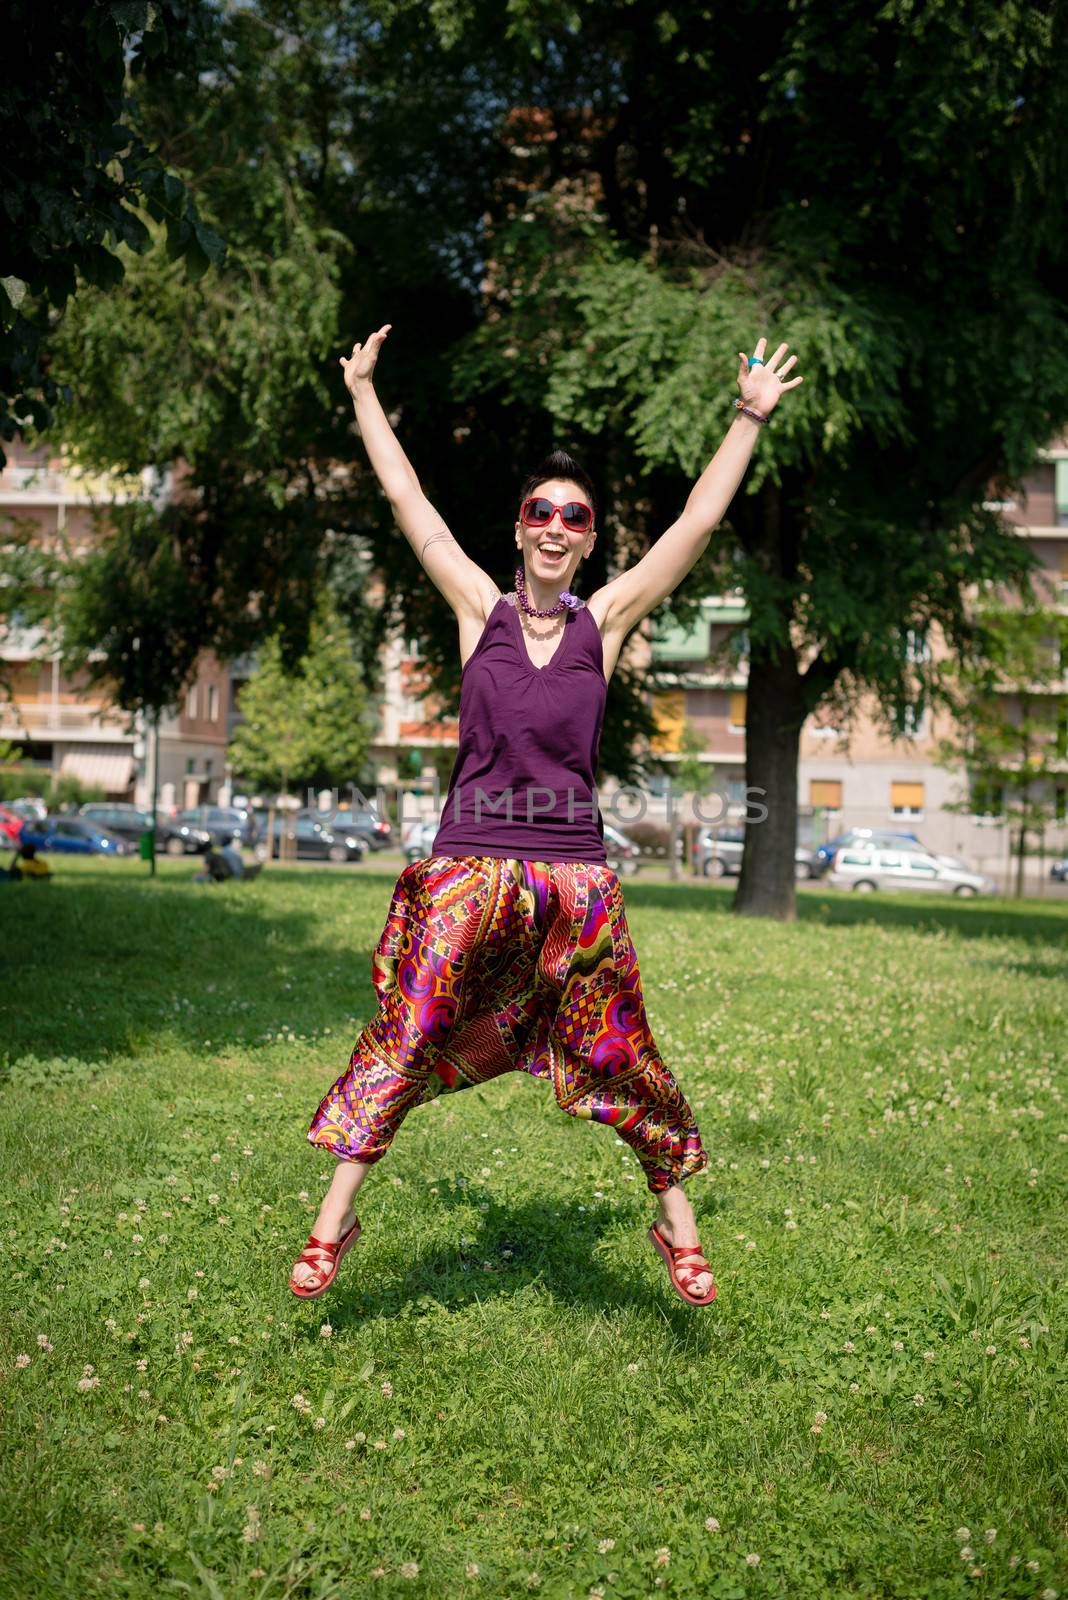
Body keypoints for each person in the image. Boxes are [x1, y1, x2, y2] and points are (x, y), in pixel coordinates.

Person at [288, 326, 803, 1305]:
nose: (557, 525)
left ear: (590, 537)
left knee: (619, 1050)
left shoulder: (603, 622)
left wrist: (747, 417)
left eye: (576, 515)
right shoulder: (474, 604)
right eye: (541, 511)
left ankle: (675, 1223)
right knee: (407, 1034)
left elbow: (695, 525)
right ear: (519, 527)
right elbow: (409, 505)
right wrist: (362, 393)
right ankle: (332, 1221)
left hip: (574, 877)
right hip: (470, 871)